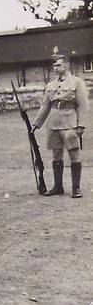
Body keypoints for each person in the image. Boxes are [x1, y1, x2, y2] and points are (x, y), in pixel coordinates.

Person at [32, 53, 89, 198]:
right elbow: (45, 106)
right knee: (56, 154)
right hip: (53, 123)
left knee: (74, 153)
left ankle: (76, 188)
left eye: (58, 65)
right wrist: (36, 124)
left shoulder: (77, 83)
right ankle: (58, 187)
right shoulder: (50, 85)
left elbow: (82, 105)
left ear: (67, 65)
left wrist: (81, 124)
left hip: (70, 122)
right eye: (54, 65)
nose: (55, 68)